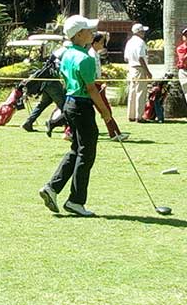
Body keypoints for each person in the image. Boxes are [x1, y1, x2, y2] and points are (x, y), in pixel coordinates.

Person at [38, 15, 114, 217]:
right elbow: (91, 89)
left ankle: (52, 188)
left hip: (69, 104)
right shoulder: (85, 58)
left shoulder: (68, 55)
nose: (92, 33)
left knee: (77, 149)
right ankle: (75, 201)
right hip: (81, 105)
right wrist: (105, 112)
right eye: (88, 30)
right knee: (86, 153)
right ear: (79, 34)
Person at [124, 22, 152, 122]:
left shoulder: (129, 42)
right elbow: (140, 58)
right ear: (139, 32)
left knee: (132, 91)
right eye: (142, 31)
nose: (144, 33)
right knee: (141, 92)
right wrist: (147, 71)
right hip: (139, 68)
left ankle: (131, 115)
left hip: (131, 68)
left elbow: (126, 58)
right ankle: (139, 116)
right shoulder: (140, 42)